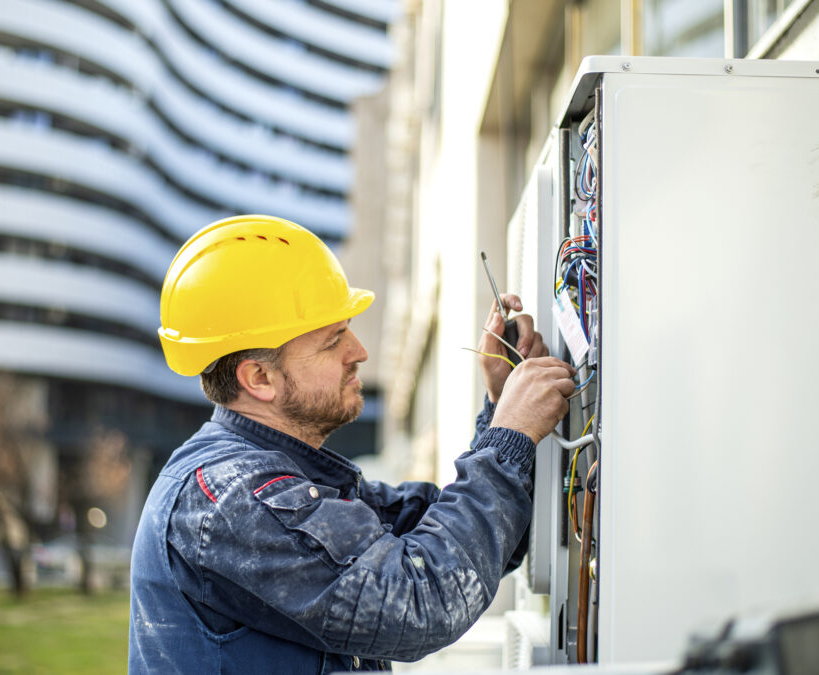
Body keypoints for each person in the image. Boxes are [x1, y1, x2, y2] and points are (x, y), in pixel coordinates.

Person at [129, 215, 576, 673]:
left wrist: (503, 406)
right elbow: (426, 601)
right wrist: (510, 437)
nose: (359, 352)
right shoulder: (229, 498)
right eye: (333, 340)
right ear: (260, 378)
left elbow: (472, 545)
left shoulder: (287, 477)